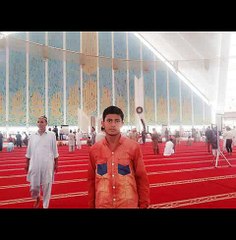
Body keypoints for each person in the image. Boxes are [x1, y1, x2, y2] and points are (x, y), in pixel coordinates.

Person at [88, 105, 150, 208]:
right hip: (103, 205)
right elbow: (91, 181)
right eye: (109, 120)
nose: (113, 124)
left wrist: (144, 204)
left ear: (122, 123)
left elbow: (142, 178)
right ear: (102, 123)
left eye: (117, 121)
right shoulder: (94, 150)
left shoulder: (133, 147)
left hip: (127, 205)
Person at [25, 115, 59, 209]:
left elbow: (55, 150)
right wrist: (27, 163)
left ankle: (45, 206)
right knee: (34, 186)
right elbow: (29, 151)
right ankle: (37, 197)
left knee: (47, 186)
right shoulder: (32, 136)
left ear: (46, 123)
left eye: (42, 122)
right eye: (38, 122)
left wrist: (56, 164)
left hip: (47, 164)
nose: (40, 124)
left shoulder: (52, 135)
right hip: (34, 164)